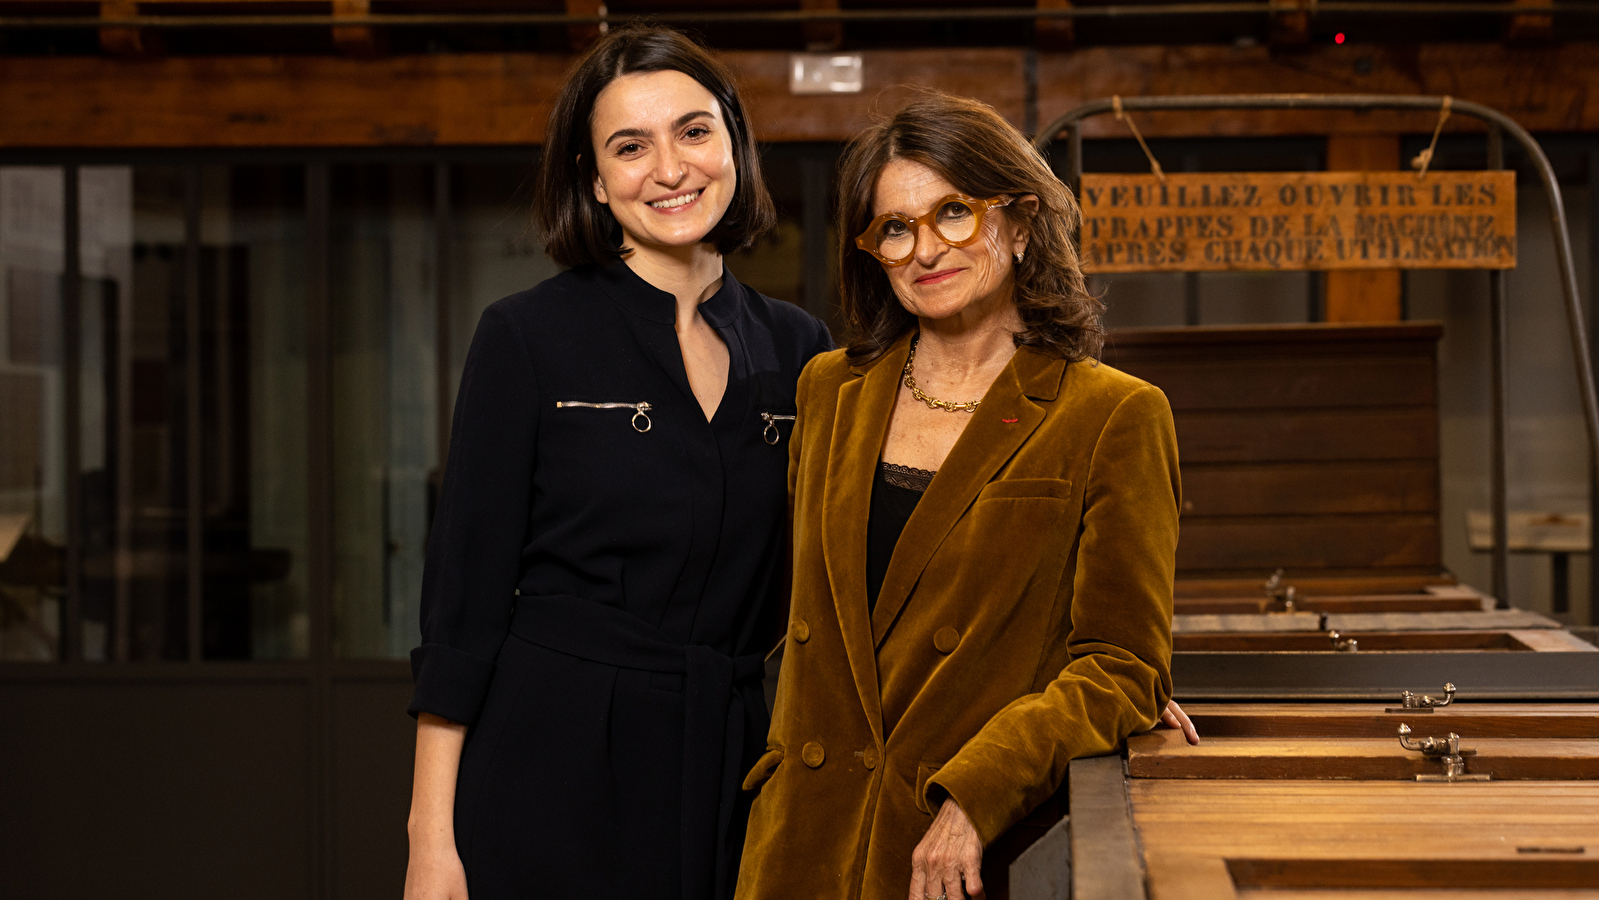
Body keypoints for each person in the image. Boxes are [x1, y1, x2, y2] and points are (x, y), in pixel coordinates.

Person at [402, 25, 832, 900]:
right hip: (548, 757)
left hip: (731, 765)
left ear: (734, 145)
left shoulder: (802, 351)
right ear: (595, 181)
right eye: (630, 147)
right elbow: (461, 603)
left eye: (693, 131)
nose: (669, 169)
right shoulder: (524, 337)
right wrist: (429, 838)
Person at [736, 91, 1182, 900]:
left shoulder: (1112, 413)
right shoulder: (828, 391)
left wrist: (982, 789)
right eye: (894, 228)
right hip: (802, 836)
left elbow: (1120, 662)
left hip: (953, 847)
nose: (924, 250)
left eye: (952, 213)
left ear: (1020, 224)